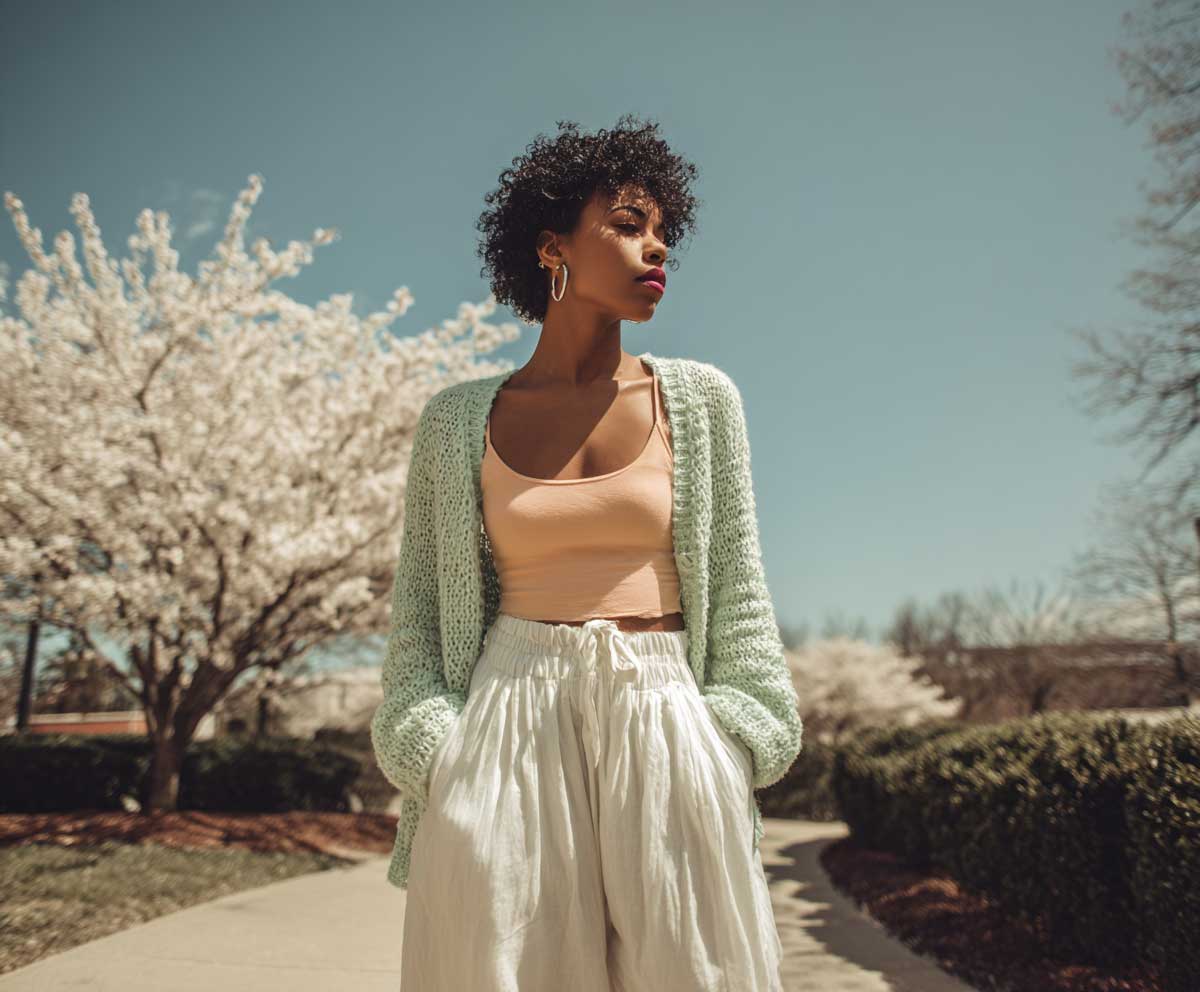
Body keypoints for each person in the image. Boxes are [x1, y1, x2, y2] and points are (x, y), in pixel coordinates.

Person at [371, 114, 803, 991]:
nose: (656, 248)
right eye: (628, 223)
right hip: (505, 722)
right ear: (550, 246)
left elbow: (743, 596)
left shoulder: (703, 402)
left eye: (663, 231)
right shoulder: (458, 422)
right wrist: (440, 759)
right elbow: (416, 615)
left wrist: (733, 742)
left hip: (668, 712)